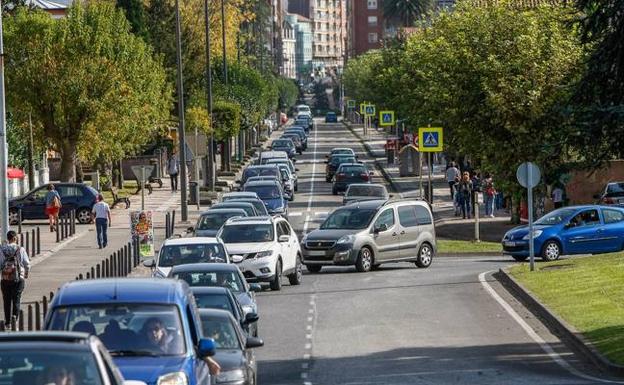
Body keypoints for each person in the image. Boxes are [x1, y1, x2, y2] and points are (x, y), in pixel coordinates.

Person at [0, 231, 30, 327]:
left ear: (8, 239)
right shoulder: (20, 249)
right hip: (18, 278)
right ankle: (15, 321)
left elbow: (0, 265)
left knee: (6, 300)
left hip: (5, 278)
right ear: (15, 238)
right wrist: (26, 273)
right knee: (16, 299)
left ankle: (8, 322)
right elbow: (26, 264)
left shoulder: (2, 249)